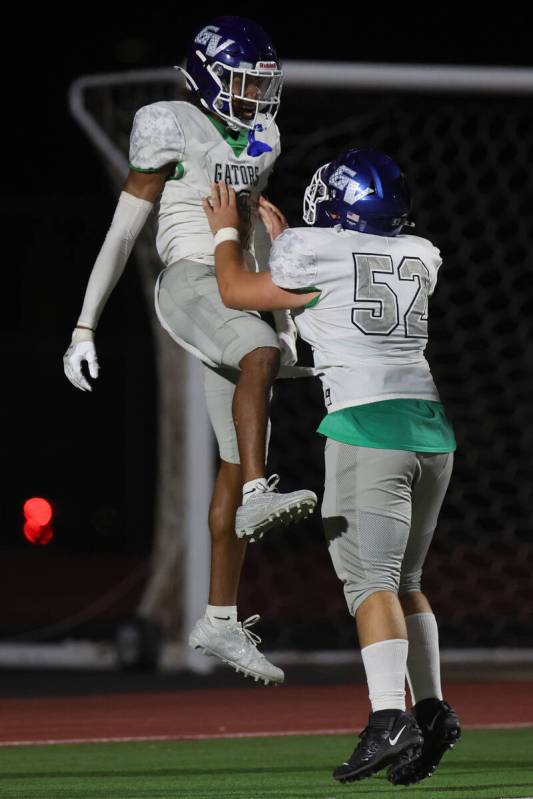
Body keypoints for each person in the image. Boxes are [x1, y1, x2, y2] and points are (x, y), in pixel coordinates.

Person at [63, 16, 316, 686]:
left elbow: (252, 235)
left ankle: (220, 618)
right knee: (256, 353)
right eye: (240, 79)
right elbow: (123, 233)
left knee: (231, 462)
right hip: (186, 280)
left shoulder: (262, 138)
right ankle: (265, 490)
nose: (254, 94)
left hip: (231, 291)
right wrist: (84, 325)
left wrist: (284, 310)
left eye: (262, 82)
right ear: (205, 75)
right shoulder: (169, 123)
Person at [202, 149, 461, 784]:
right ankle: (430, 710)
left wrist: (226, 232)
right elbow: (336, 292)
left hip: (366, 429)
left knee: (369, 583)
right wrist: (297, 243)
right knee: (406, 579)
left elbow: (237, 289)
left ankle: (388, 719)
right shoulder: (420, 254)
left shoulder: (315, 251)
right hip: (430, 430)